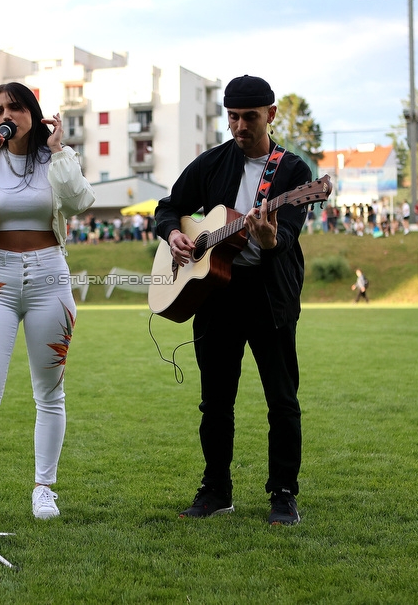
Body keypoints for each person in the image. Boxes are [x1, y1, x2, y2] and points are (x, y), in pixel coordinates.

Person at [155, 75, 311, 526]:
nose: (240, 126)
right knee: (215, 401)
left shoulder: (294, 173)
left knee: (282, 400)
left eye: (250, 117)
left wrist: (269, 237)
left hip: (269, 295)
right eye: (234, 117)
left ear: (271, 115)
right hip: (215, 294)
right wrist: (176, 234)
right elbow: (168, 206)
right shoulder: (211, 163)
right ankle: (216, 491)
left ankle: (283, 493)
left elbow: (287, 237)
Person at [0, 81, 95, 533]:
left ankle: (44, 487)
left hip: (50, 277)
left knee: (49, 393)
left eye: (16, 107)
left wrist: (60, 150)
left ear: (33, 113)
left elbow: (80, 202)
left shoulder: (54, 159)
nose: (6, 115)